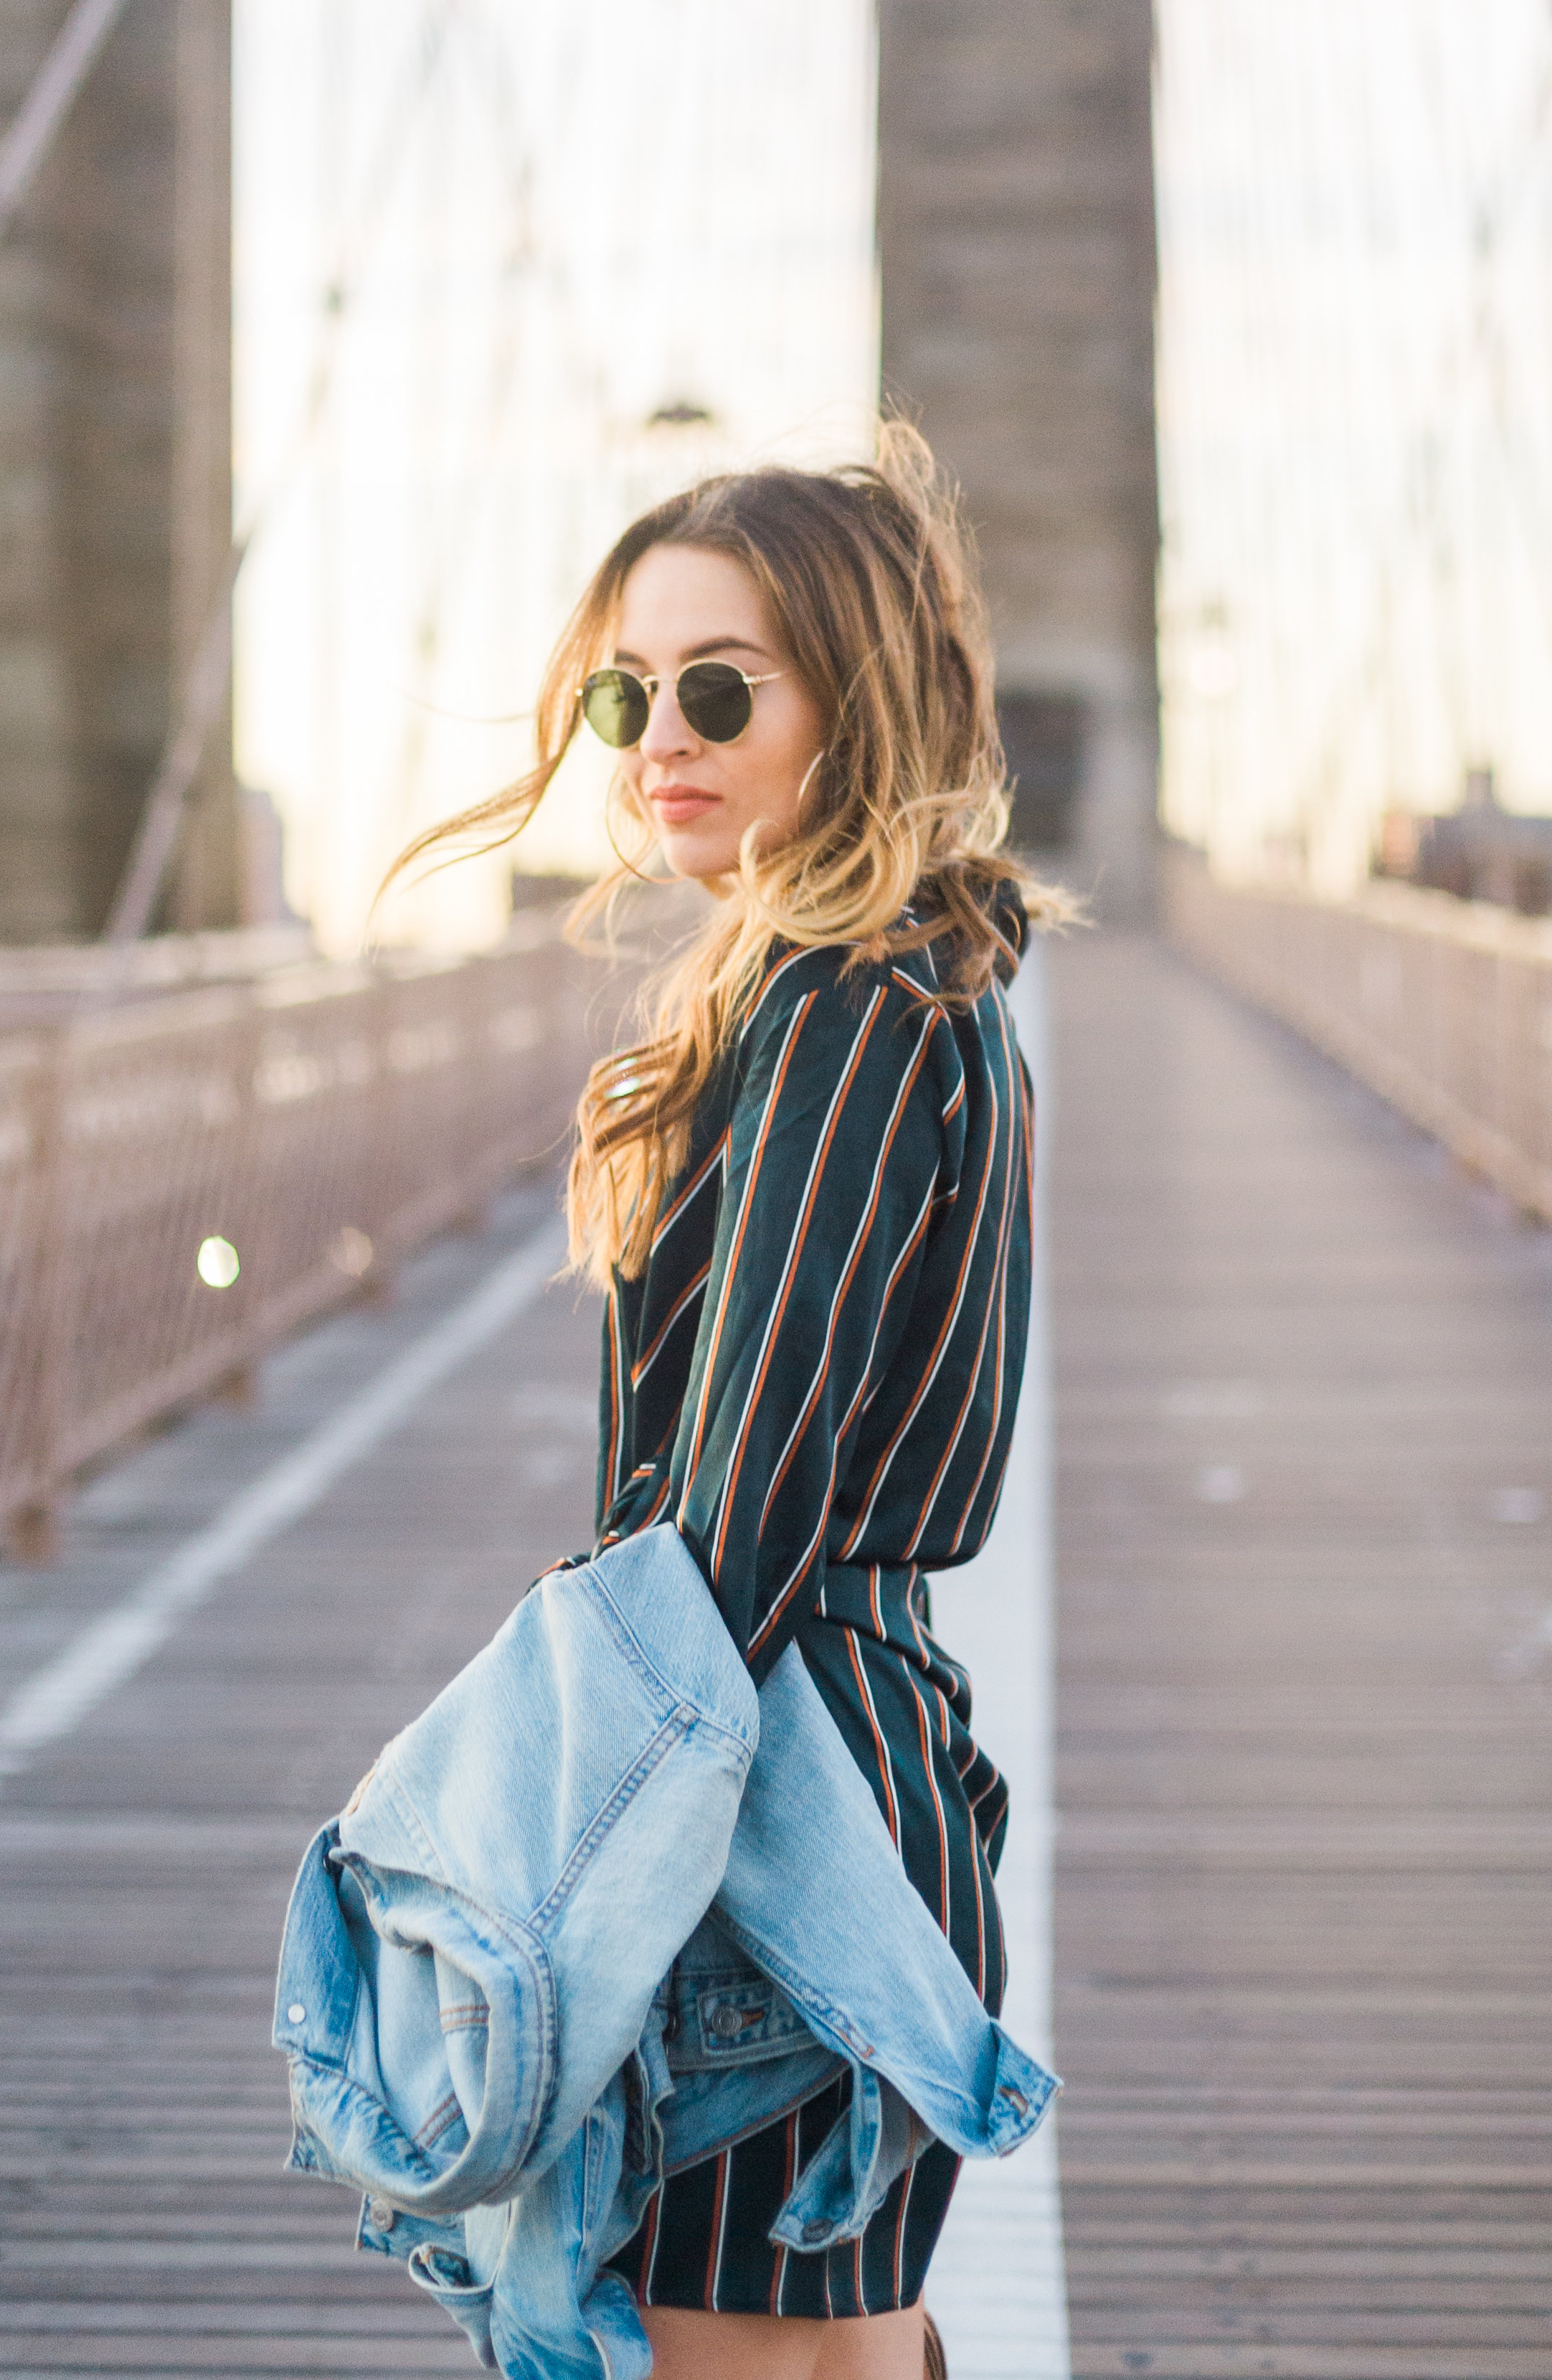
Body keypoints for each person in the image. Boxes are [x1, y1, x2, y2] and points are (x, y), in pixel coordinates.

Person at [384, 423, 1056, 2380]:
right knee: (845, 2358)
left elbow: (731, 1524)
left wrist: (529, 1855)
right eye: (620, 691)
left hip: (767, 1813)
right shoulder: (914, 983)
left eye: (710, 688)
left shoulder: (849, 1011)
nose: (650, 734)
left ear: (851, 701)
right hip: (849, 1782)